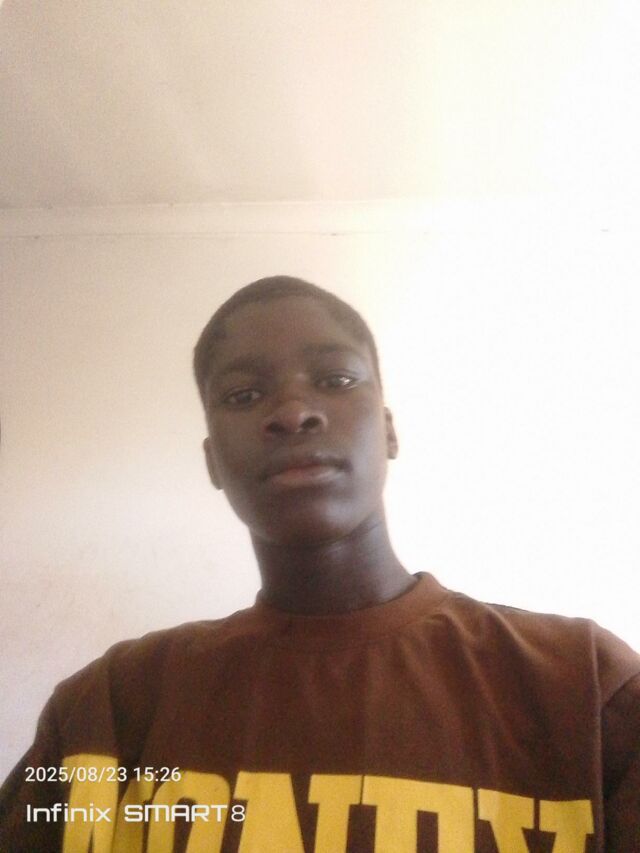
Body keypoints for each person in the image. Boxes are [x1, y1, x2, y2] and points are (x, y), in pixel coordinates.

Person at [1, 275, 639, 852]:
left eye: (336, 381)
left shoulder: (582, 687)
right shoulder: (108, 711)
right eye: (244, 394)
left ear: (388, 430)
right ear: (213, 463)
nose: (292, 412)